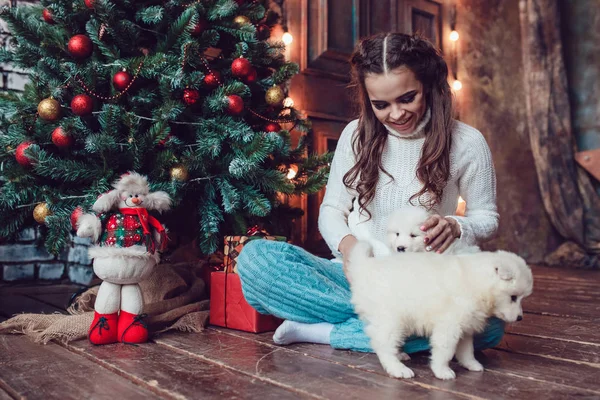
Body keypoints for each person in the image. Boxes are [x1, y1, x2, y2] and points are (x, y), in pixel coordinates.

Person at [236, 32, 503, 353]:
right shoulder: (355, 136)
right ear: (367, 99)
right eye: (381, 104)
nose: (396, 114)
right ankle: (390, 326)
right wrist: (349, 247)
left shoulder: (467, 143)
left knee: (490, 325)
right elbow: (333, 211)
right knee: (255, 260)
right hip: (356, 278)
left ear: (429, 86)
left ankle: (323, 331)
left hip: (424, 284)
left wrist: (457, 226)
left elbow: (486, 217)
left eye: (408, 98)